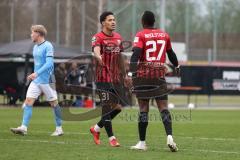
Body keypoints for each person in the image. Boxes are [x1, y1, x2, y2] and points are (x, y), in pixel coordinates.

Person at [127, 11, 180, 151]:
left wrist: (131, 73)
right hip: (159, 76)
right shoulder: (164, 35)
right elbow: (171, 53)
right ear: (154, 21)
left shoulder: (141, 35)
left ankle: (142, 143)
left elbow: (136, 54)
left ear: (143, 22)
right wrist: (177, 65)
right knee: (163, 108)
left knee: (143, 109)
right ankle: (169, 136)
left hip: (143, 76)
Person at [10, 25, 64, 136]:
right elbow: (38, 64)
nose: (31, 35)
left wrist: (36, 73)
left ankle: (59, 129)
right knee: (28, 101)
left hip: (48, 80)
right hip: (36, 81)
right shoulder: (35, 47)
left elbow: (49, 64)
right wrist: (34, 75)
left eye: (32, 32)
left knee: (54, 104)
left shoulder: (48, 46)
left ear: (38, 34)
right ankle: (23, 127)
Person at [89, 11, 126, 147]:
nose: (113, 22)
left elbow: (120, 58)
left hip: (115, 78)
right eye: (110, 20)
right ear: (103, 23)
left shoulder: (118, 37)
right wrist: (98, 56)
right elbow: (96, 51)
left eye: (114, 20)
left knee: (117, 108)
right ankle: (112, 138)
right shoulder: (97, 37)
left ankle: (96, 128)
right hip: (102, 78)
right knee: (106, 107)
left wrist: (125, 75)